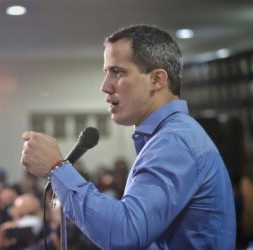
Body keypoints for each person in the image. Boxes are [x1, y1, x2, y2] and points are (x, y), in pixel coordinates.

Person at [21, 24, 236, 249]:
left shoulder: (175, 140)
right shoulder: (170, 136)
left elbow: (126, 234)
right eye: (106, 73)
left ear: (157, 80)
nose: (105, 86)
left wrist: (56, 167)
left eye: (118, 72)